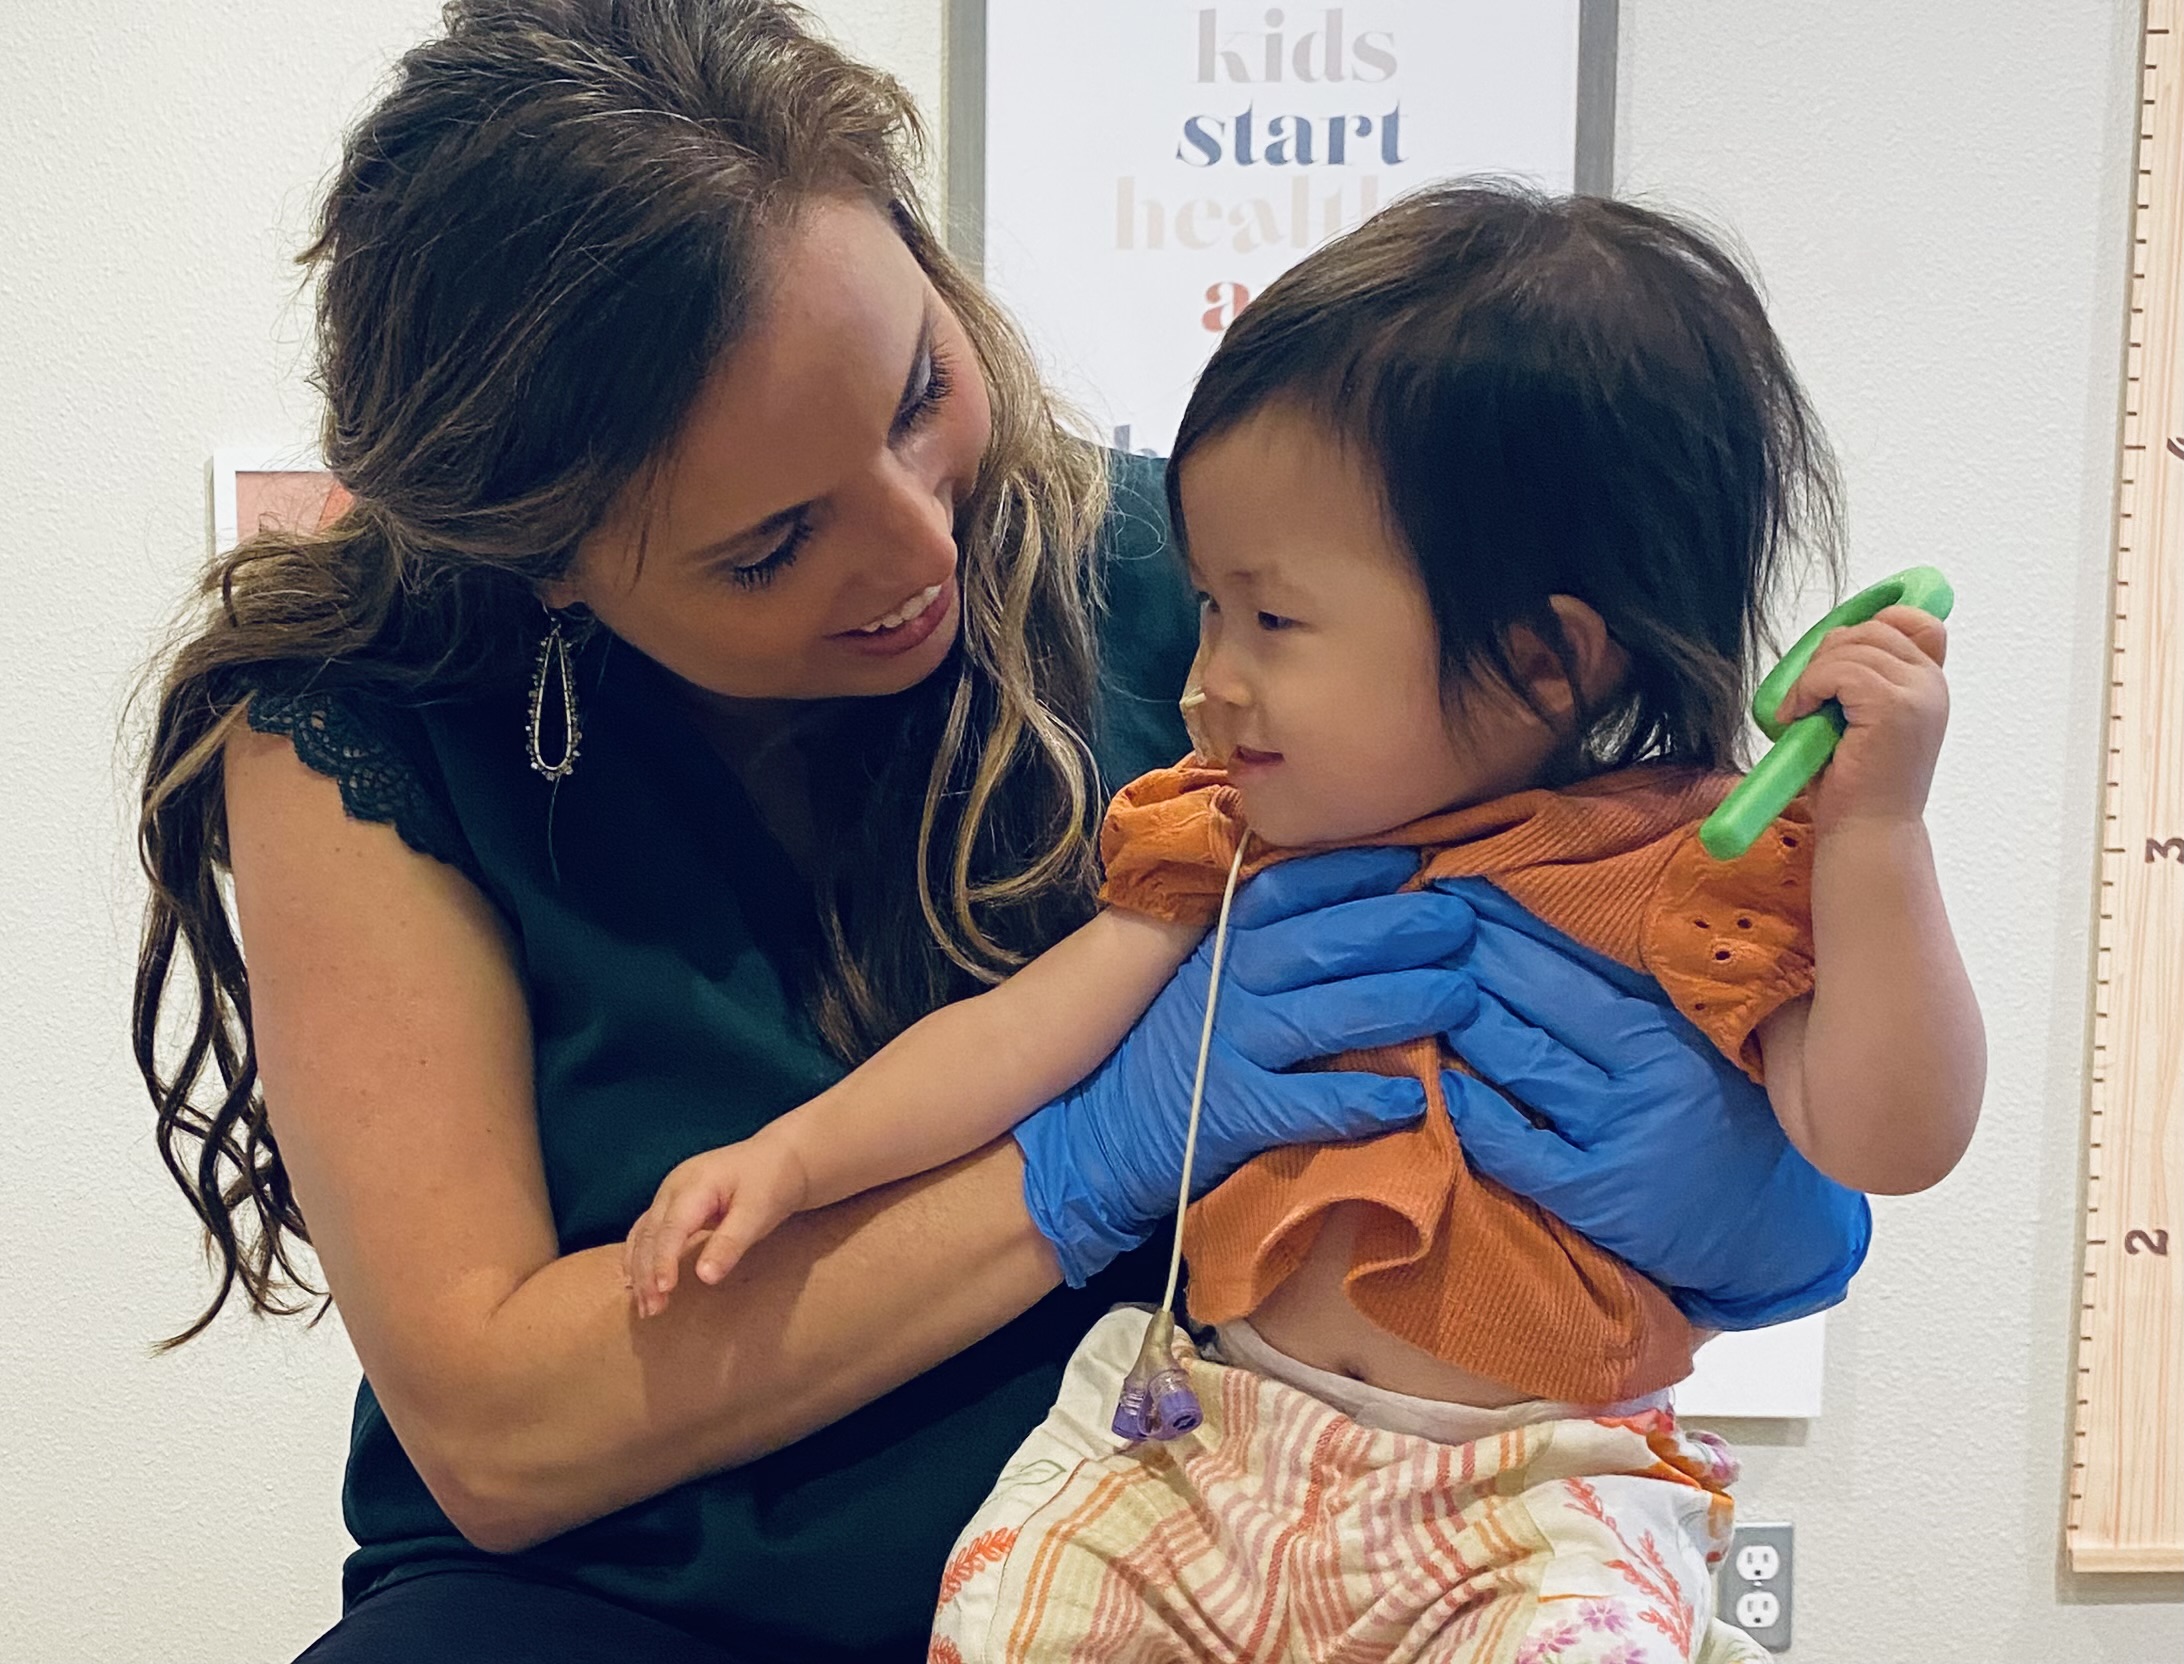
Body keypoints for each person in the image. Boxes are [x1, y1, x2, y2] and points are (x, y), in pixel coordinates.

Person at [132, 6, 1873, 1660]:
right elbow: (502, 1432)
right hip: (611, 1608)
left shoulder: (1197, 602)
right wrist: (1087, 1154)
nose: (915, 558)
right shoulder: (361, 722)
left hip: (1215, 1540)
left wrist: (1765, 1198)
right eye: (769, 544)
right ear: (539, 560)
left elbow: (1650, 940)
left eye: (915, 398)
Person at [625, 185, 1983, 1663]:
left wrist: (1876, 834)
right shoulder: (1225, 831)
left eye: (1268, 621)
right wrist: (797, 1157)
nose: (1206, 677)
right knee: (1017, 1606)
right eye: (1208, 607)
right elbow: (1021, 1045)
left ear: (1541, 659)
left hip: (1534, 1492)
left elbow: (1890, 1142)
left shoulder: (1689, 869)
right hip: (1215, 1448)